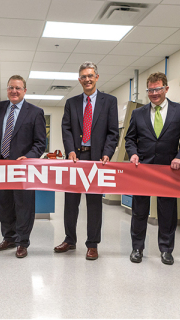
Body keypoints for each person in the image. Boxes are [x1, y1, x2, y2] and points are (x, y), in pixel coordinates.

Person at [125, 72, 180, 265]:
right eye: (150, 90)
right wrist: (132, 153)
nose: (154, 93)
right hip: (143, 169)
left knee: (167, 211)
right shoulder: (138, 113)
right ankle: (137, 248)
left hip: (168, 170)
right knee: (139, 211)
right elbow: (130, 138)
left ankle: (166, 250)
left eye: (157, 89)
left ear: (166, 88)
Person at [54, 61, 119, 260]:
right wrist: (70, 150)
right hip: (75, 158)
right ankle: (69, 239)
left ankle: (92, 244)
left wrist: (107, 152)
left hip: (97, 158)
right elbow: (66, 129)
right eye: (83, 76)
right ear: (79, 79)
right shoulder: (71, 103)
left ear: (97, 77)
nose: (87, 79)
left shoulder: (109, 101)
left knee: (94, 203)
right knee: (71, 202)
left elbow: (112, 132)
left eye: (90, 76)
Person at [0, 75, 46, 258]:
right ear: (7, 90)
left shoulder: (35, 112)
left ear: (24, 90)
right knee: (4, 203)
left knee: (24, 205)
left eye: (18, 88)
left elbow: (40, 143)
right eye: (10, 88)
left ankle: (22, 242)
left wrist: (29, 156)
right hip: (0, 165)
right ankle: (9, 237)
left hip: (22, 167)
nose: (14, 91)